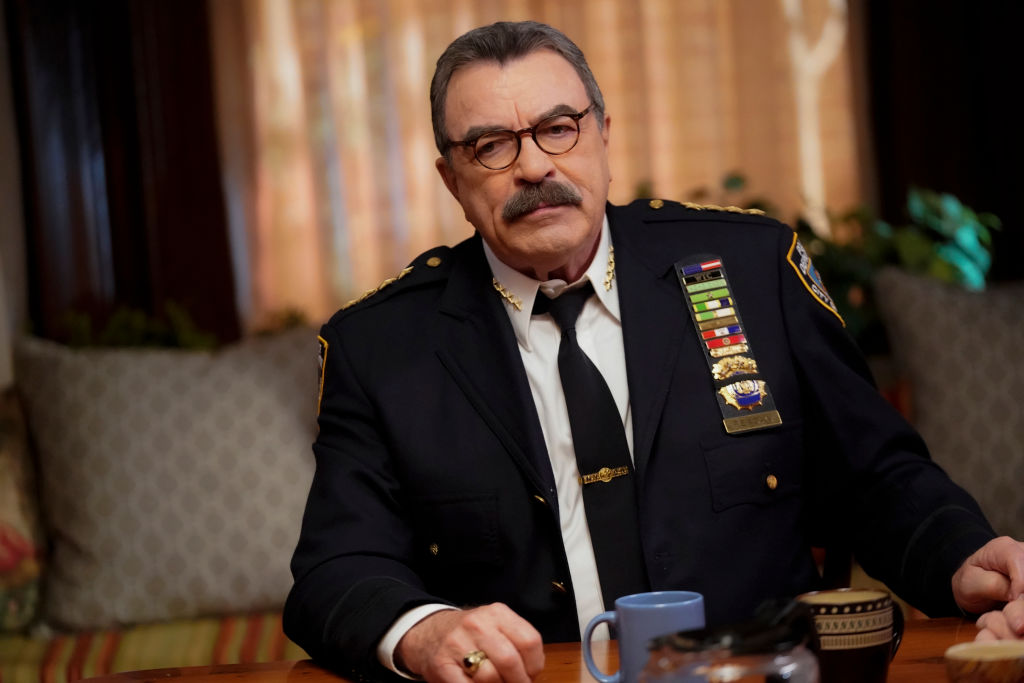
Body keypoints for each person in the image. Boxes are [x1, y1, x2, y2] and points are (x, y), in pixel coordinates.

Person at [284, 20, 1024, 683]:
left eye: (559, 128)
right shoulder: (381, 347)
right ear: (452, 179)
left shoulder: (751, 270)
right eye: (491, 146)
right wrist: (423, 631)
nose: (534, 167)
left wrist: (961, 556)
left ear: (605, 134)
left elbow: (877, 477)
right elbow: (336, 570)